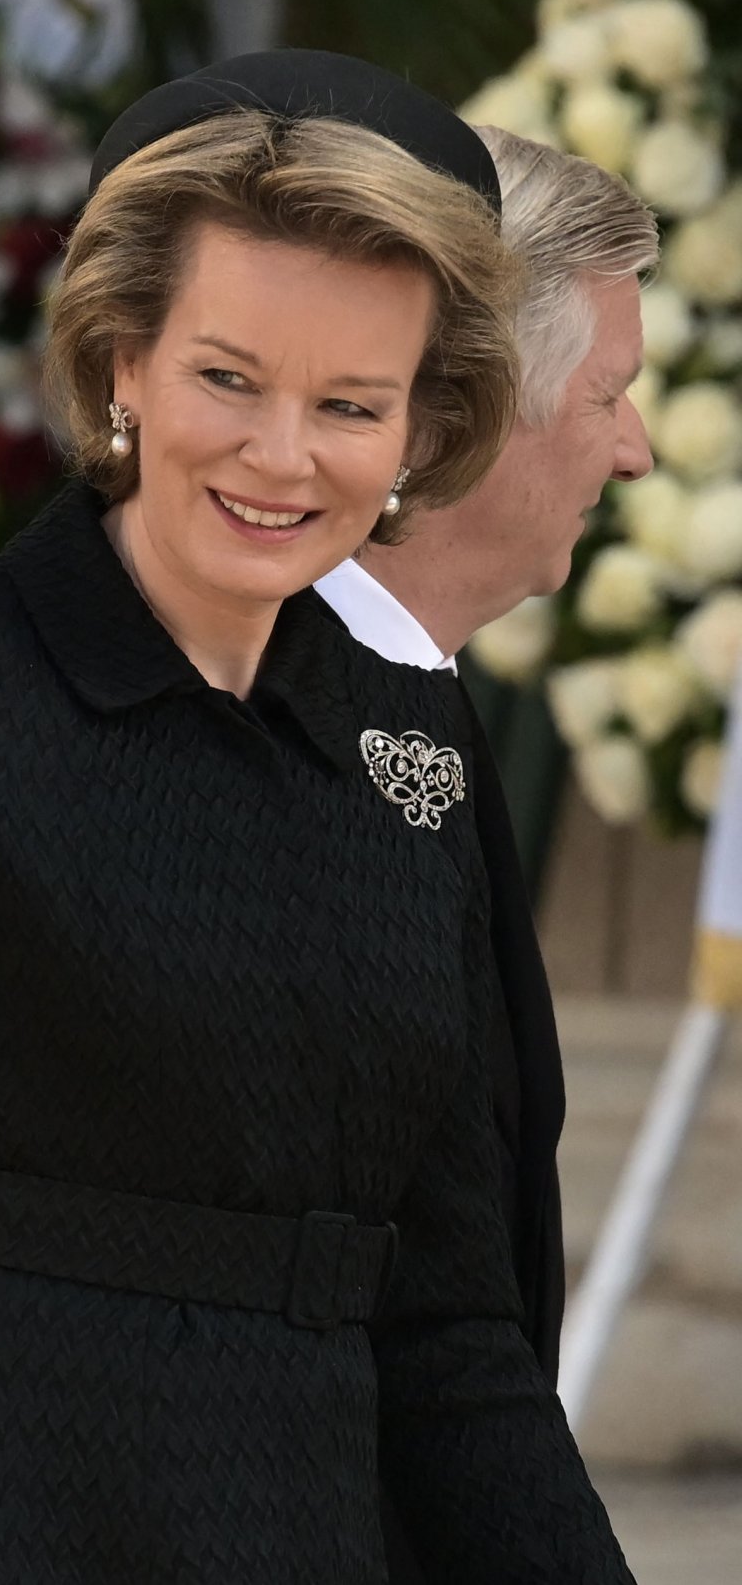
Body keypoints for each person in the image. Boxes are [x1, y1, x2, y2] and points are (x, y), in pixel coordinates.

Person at [0, 50, 639, 1583]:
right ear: (123, 361)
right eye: (228, 377)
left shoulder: (405, 741)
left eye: (351, 403)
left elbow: (451, 1320)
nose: (283, 456)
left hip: (284, 1528)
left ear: (421, 431)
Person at [311, 127, 658, 1583]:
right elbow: (418, 1291)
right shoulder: (295, 717)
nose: (636, 447)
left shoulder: (408, 690)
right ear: (483, 407)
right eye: (611, 395)